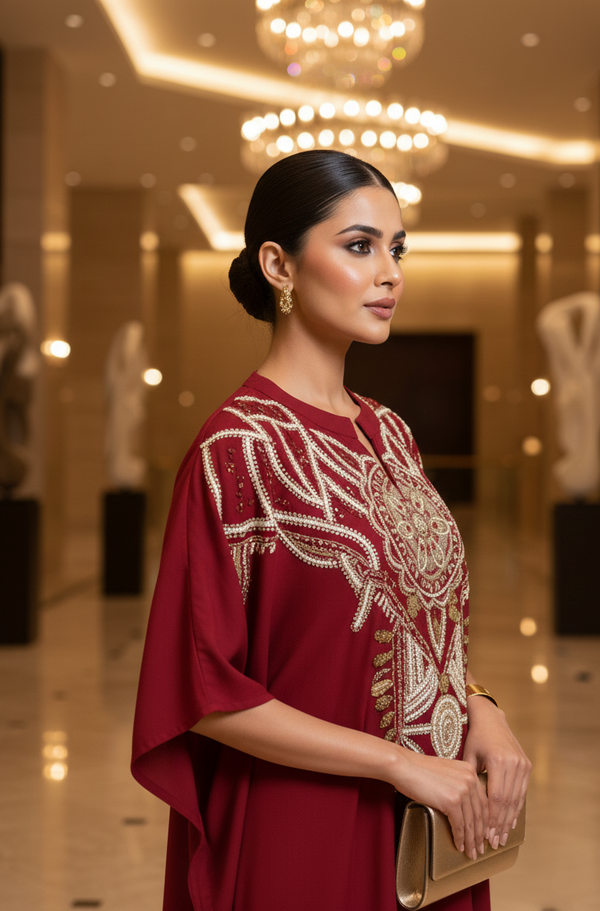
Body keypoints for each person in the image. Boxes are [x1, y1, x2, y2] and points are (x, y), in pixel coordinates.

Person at [132, 150, 531, 911]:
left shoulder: (392, 433)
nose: (391, 273)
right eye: (359, 245)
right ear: (278, 264)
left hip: (432, 820)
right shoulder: (238, 451)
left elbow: (416, 616)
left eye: (397, 248)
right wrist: (396, 764)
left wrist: (483, 705)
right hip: (305, 824)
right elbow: (206, 689)